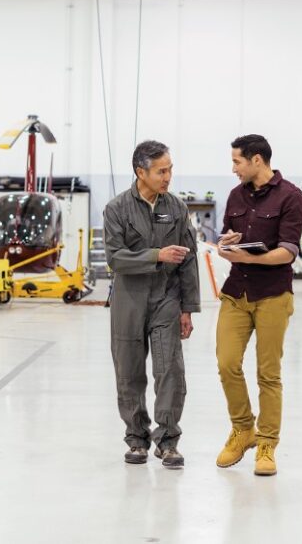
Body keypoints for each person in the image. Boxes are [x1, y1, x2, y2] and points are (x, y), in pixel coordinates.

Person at [215, 134, 302, 476]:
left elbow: (287, 251)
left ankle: (267, 443)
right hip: (236, 292)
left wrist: (249, 259)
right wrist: (227, 241)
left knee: (268, 374)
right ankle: (243, 429)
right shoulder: (236, 195)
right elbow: (227, 233)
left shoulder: (292, 197)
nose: (234, 168)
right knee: (227, 363)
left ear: (257, 160)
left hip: (273, 295)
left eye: (237, 161)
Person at [104, 140, 200, 469]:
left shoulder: (176, 209)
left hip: (166, 298)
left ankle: (168, 441)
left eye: (170, 169)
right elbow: (115, 258)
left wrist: (188, 308)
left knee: (170, 370)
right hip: (128, 300)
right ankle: (136, 438)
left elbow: (189, 261)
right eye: (162, 170)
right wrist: (156, 255)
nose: (168, 176)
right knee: (129, 373)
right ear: (140, 172)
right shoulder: (116, 209)